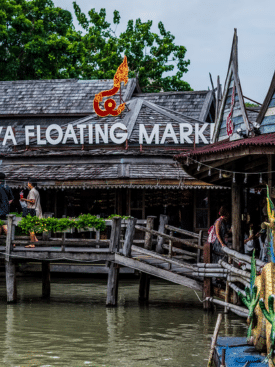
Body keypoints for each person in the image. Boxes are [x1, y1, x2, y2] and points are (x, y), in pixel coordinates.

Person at [20, 180, 42, 247]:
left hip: (32, 210)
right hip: (36, 209)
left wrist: (24, 199)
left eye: (28, 183)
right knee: (31, 227)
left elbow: (32, 201)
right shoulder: (36, 191)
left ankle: (32, 244)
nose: (27, 185)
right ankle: (35, 239)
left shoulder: (32, 191)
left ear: (30, 184)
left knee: (30, 227)